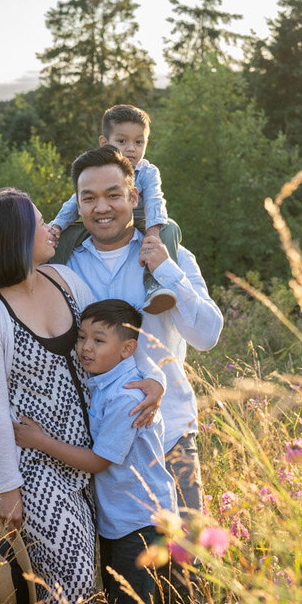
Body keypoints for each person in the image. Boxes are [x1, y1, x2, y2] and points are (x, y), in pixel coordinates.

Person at [0, 188, 164, 604]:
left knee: (67, 592)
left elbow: (112, 341)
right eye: (38, 222)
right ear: (14, 238)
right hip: (38, 472)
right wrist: (7, 492)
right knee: (69, 590)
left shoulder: (62, 279)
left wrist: (151, 381)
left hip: (86, 463)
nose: (52, 228)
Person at [62, 146, 223, 521]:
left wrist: (166, 270)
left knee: (186, 561)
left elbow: (207, 335)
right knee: (123, 567)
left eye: (113, 195)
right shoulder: (65, 265)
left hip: (170, 434)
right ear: (79, 205)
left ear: (134, 197)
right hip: (99, 441)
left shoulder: (176, 257)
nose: (102, 207)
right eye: (90, 198)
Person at [13, 299, 178, 604]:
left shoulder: (126, 396)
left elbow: (99, 460)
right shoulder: (101, 382)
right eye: (82, 337)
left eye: (99, 340)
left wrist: (40, 441)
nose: (86, 348)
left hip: (141, 522)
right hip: (119, 521)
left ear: (127, 349)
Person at [48, 104, 182, 315]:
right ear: (104, 143)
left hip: (140, 222)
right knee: (67, 234)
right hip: (101, 224)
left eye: (139, 142)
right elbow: (75, 203)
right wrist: (56, 225)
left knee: (170, 229)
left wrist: (153, 231)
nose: (131, 149)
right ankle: (45, 277)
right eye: (122, 141)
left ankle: (156, 286)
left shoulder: (147, 172)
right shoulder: (95, 171)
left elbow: (156, 200)